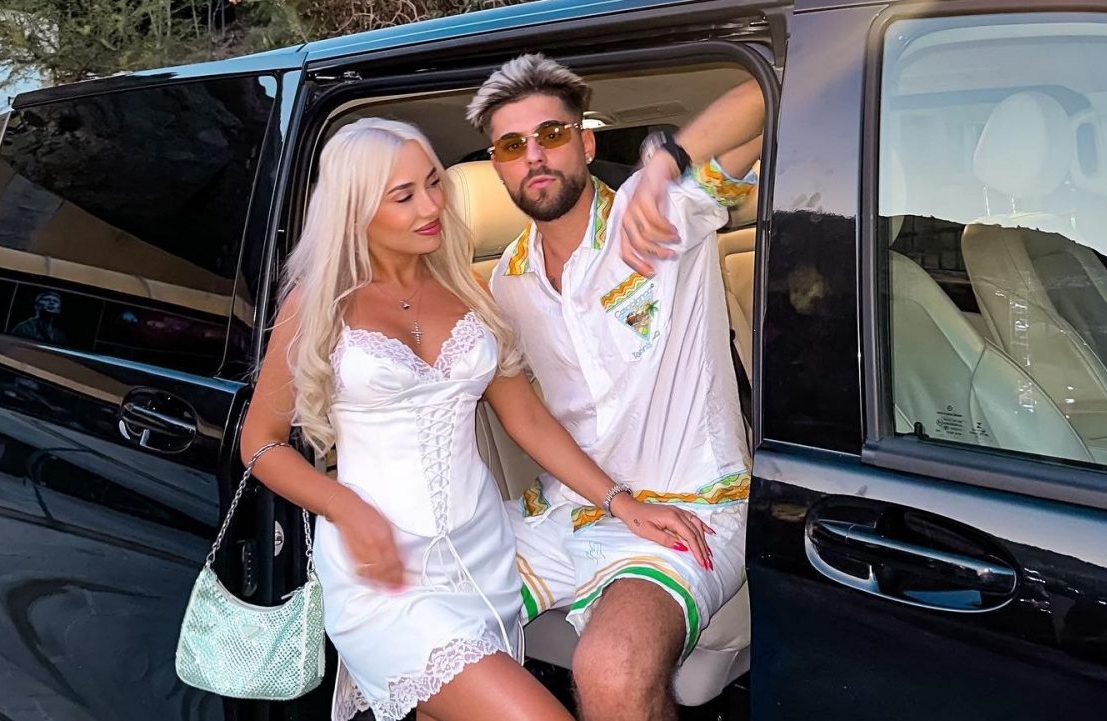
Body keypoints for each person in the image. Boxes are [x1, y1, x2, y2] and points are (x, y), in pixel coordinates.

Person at [239, 118, 714, 721]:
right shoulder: (316, 304)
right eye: (404, 195)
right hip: (383, 576)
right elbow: (259, 442)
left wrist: (622, 503)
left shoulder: (466, 291)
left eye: (434, 183)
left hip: (482, 557)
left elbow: (527, 420)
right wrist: (345, 508)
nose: (431, 205)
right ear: (356, 210)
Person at [467, 55, 765, 720]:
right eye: (512, 145)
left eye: (551, 135)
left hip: (688, 508)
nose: (533, 156)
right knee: (423, 628)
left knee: (612, 668)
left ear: (585, 143)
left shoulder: (659, 213)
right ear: (497, 166)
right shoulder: (506, 283)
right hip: (565, 512)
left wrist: (665, 164)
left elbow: (771, 91)